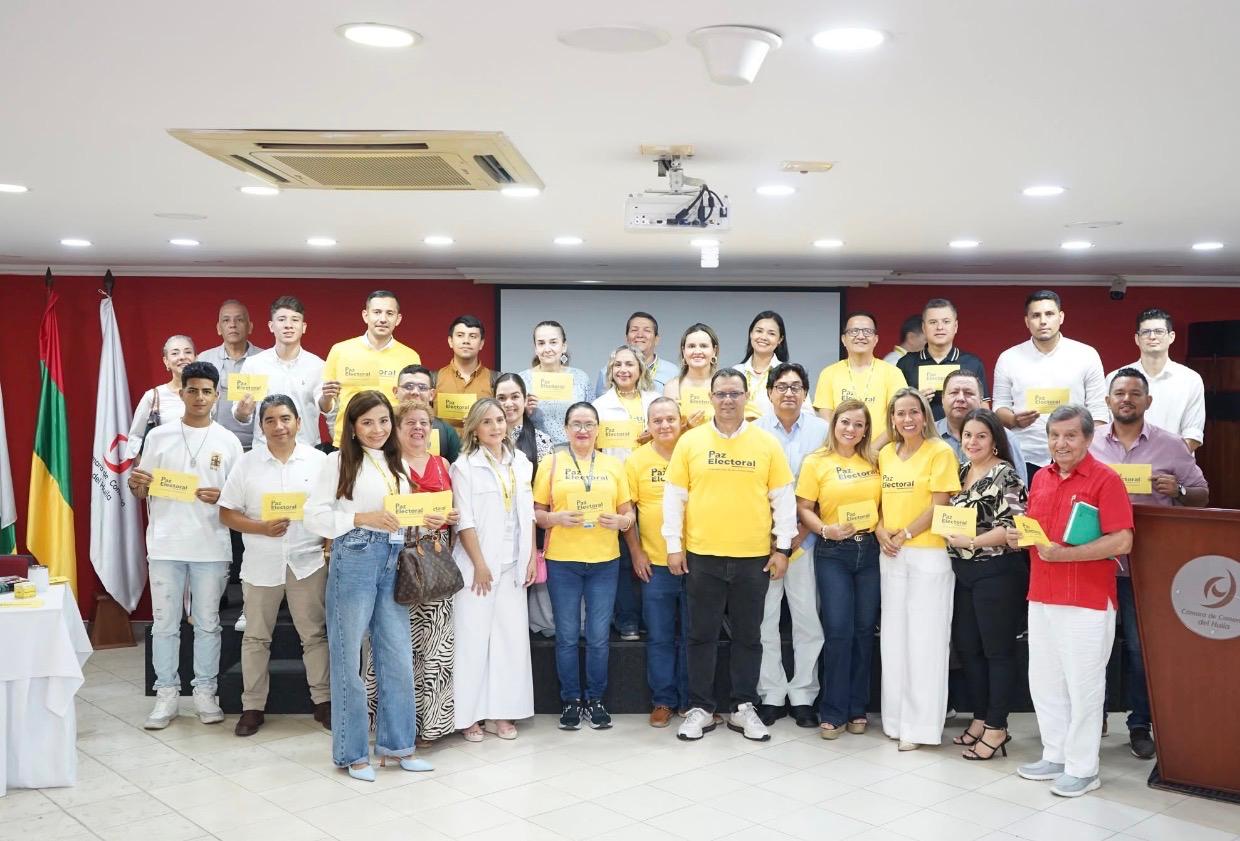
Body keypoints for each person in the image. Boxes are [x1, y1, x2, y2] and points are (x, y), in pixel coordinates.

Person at [304, 390, 432, 781]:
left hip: (394, 560)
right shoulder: (338, 461)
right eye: (367, 422)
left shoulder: (398, 464)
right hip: (355, 558)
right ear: (353, 428)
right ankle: (352, 753)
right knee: (348, 658)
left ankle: (398, 747)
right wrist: (362, 518)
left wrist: (427, 517)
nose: (378, 429)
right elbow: (314, 516)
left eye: (383, 421)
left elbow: (400, 517)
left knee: (396, 656)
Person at [664, 368, 796, 743]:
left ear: (745, 397)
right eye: (720, 394)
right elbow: (674, 498)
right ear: (711, 398)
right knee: (700, 636)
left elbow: (783, 500)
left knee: (749, 637)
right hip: (702, 556)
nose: (727, 400)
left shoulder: (767, 444)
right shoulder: (690, 443)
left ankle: (743, 707)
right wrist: (674, 546)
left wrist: (783, 548)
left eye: (734, 394)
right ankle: (701, 708)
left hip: (752, 557)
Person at [1012, 405, 1133, 798]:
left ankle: (1084, 768)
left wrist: (1062, 555)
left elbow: (1122, 541)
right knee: (1045, 682)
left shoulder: (1106, 480)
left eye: (1070, 436)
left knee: (1083, 686)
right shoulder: (1042, 478)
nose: (1060, 444)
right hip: (1042, 595)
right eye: (1054, 436)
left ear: (1087, 438)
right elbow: (1040, 532)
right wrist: (1021, 538)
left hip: (1087, 600)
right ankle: (1056, 754)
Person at [1088, 368, 1208, 759]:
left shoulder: (1172, 446)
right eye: (1119, 393)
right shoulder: (1091, 445)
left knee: (1142, 651)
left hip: (1148, 567)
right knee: (1096, 646)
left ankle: (1140, 724)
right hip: (1099, 562)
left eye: (1135, 393)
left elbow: (1202, 494)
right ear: (1107, 402)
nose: (1127, 399)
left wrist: (1180, 489)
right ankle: (1095, 717)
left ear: (1148, 401)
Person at [127, 361, 242, 730]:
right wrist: (136, 484)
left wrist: (223, 495)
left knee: (208, 623)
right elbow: (142, 486)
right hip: (165, 543)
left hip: (210, 546)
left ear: (217, 396)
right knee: (164, 625)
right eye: (192, 390)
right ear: (182, 393)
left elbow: (241, 499)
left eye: (207, 391)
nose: (199, 397)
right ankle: (166, 695)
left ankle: (206, 693)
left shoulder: (228, 441)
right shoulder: (159, 437)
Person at [218, 395, 330, 737]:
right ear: (261, 425)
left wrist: (327, 544)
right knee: (255, 637)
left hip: (307, 562)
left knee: (314, 635)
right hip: (262, 564)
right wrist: (261, 527)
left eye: (285, 418)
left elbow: (332, 509)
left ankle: (322, 702)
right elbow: (227, 513)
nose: (279, 426)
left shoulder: (318, 462)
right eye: (270, 420)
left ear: (298, 421)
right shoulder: (247, 463)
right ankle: (252, 706)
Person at [363, 399, 461, 744]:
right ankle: (386, 724)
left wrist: (449, 517)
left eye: (423, 423)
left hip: (433, 565)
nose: (418, 428)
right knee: (391, 644)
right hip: (394, 561)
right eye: (410, 423)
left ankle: (431, 726)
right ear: (397, 428)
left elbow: (455, 513)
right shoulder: (385, 466)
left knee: (435, 645)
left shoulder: (443, 463)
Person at [534, 402, 634, 730]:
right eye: (576, 423)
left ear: (597, 429)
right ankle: (571, 700)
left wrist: (621, 521)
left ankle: (596, 699)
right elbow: (536, 513)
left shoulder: (613, 466)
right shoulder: (550, 463)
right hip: (563, 561)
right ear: (565, 429)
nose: (582, 430)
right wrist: (554, 518)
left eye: (589, 424)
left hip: (605, 562)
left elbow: (628, 514)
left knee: (598, 636)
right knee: (565, 635)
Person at [874, 387, 961, 750]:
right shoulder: (885, 455)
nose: (907, 419)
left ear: (925, 415)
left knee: (925, 642)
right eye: (900, 413)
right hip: (891, 554)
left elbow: (941, 503)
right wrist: (882, 533)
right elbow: (875, 503)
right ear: (891, 419)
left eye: (914, 412)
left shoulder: (940, 451)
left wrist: (906, 533)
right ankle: (894, 721)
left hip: (927, 553)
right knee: (894, 641)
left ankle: (920, 727)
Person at [942, 409, 1028, 761]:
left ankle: (997, 727)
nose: (972, 442)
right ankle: (979, 718)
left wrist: (973, 542)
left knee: (997, 651)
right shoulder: (958, 472)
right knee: (969, 649)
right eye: (967, 436)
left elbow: (1015, 528)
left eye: (981, 436)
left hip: (997, 572)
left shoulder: (1006, 474)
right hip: (963, 575)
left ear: (994, 440)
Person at [451, 398, 538, 741]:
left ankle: (501, 713)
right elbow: (465, 521)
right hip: (477, 567)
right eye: (487, 422)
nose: (496, 427)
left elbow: (527, 512)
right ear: (474, 427)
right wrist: (480, 563)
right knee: (472, 641)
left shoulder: (520, 462)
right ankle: (469, 716)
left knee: (509, 641)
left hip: (513, 564)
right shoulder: (464, 466)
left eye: (499, 420)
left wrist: (530, 556)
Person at [795, 399, 882, 740]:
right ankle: (832, 709)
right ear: (834, 424)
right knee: (838, 631)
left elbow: (884, 505)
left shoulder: (876, 461)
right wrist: (825, 530)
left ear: (866, 429)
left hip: (870, 552)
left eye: (858, 425)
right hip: (833, 552)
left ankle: (857, 707)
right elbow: (805, 508)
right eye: (845, 422)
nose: (851, 429)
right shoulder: (817, 461)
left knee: (863, 631)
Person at [753, 363, 827, 727]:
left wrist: (798, 534)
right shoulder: (753, 433)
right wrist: (773, 538)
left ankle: (803, 695)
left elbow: (828, 487)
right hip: (762, 544)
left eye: (796, 386)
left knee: (807, 621)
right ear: (768, 392)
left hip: (806, 541)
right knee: (764, 622)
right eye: (781, 386)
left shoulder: (822, 432)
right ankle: (771, 693)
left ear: (806, 392)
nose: (788, 393)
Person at [993, 290, 1107, 481]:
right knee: (1027, 512)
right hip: (1024, 457)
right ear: (1027, 321)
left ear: (1061, 317)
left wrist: (1087, 450)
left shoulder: (1086, 355)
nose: (1043, 321)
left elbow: (1099, 412)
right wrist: (1013, 420)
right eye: (1036, 315)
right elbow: (998, 408)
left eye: (1049, 314)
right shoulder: (1008, 358)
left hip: (1076, 456)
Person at [624, 397, 689, 726]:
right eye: (657, 420)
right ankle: (663, 700)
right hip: (655, 563)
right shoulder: (636, 461)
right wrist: (636, 552)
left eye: (670, 419)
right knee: (661, 635)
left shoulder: (692, 452)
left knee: (694, 635)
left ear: (681, 421)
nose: (664, 425)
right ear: (648, 425)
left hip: (696, 562)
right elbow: (629, 512)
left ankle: (693, 702)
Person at [594, 344, 661, 641]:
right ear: (610, 371)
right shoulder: (599, 405)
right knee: (621, 558)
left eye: (629, 364)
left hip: (651, 484)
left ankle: (652, 616)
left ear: (640, 369)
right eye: (617, 364)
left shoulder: (655, 401)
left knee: (650, 550)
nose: (623, 369)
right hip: (614, 486)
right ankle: (627, 619)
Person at [494, 372, 557, 637]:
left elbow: (546, 494)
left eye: (514, 397)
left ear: (525, 399)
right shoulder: (484, 440)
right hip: (494, 529)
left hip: (530, 528)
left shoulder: (541, 441)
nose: (509, 403)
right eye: (502, 398)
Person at [318, 290, 422, 447]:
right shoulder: (340, 350)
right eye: (377, 312)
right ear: (365, 315)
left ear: (398, 319)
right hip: (348, 441)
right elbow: (327, 407)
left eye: (389, 313)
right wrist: (326, 398)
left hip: (392, 442)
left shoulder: (410, 356)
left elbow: (415, 403)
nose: (383, 319)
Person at [232, 296, 326, 449]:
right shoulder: (253, 365)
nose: (288, 325)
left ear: (304, 327)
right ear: (271, 326)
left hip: (307, 452)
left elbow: (329, 411)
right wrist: (242, 412)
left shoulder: (318, 366)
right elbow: (240, 415)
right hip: (264, 451)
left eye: (295, 320)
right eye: (281, 319)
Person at [1106, 308, 1206, 451]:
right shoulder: (1116, 379)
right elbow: (1108, 431)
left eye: (1159, 331)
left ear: (1171, 336)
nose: (1152, 337)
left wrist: (1166, 463)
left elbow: (1192, 435)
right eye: (1146, 332)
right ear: (1137, 339)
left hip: (1174, 469)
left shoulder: (1190, 379)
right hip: (1127, 468)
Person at [812, 313, 908, 443]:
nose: (861, 336)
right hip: (840, 453)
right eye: (854, 331)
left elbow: (898, 419)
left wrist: (871, 451)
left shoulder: (893, 373)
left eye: (867, 331)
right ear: (844, 339)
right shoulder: (828, 373)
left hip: (881, 454)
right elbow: (826, 420)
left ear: (876, 339)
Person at [897, 298, 988, 421]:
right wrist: (915, 400)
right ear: (924, 328)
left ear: (955, 326)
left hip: (962, 436)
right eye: (933, 322)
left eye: (946, 321)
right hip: (918, 435)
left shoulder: (972, 363)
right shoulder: (906, 364)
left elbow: (984, 408)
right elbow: (895, 408)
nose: (940, 327)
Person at [937, 370, 1028, 484]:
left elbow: (1020, 491)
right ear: (942, 398)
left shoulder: (1005, 437)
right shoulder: (927, 435)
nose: (960, 398)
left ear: (981, 400)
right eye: (954, 392)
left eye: (968, 393)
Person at [197, 299, 265, 451]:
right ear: (219, 328)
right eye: (226, 320)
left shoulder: (265, 359)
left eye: (239, 320)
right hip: (213, 445)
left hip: (257, 447)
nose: (232, 324)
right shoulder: (204, 359)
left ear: (250, 327)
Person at [520, 320, 594, 447]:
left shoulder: (580, 378)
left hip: (576, 451)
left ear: (564, 346)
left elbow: (593, 418)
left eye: (553, 342)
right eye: (541, 343)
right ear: (535, 348)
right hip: (536, 452)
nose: (547, 349)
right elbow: (510, 422)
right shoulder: (522, 379)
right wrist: (524, 412)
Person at [126, 334, 196, 458]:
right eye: (175, 353)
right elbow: (135, 437)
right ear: (166, 361)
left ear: (195, 358)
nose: (182, 357)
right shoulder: (153, 396)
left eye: (188, 352)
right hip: (164, 471)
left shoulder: (208, 394)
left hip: (200, 467)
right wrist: (144, 465)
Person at [594, 311, 680, 395]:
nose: (640, 335)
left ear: (656, 339)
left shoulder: (673, 372)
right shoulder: (607, 372)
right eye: (634, 330)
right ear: (627, 338)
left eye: (647, 330)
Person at [391, 365, 461, 464]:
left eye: (422, 388)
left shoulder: (446, 431)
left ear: (432, 394)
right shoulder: (382, 428)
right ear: (396, 391)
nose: (415, 392)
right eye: (408, 386)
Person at [434, 315, 495, 429]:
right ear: (450, 341)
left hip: (482, 446)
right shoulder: (434, 379)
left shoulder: (495, 379)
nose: (466, 341)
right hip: (443, 446)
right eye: (460, 335)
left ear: (481, 343)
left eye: (473, 336)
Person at [663, 323, 721, 428]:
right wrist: (687, 426)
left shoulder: (724, 385)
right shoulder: (672, 387)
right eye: (691, 346)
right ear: (683, 351)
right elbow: (667, 430)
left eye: (703, 346)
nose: (697, 351)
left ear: (714, 351)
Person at [736, 311, 790, 418]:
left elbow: (805, 415)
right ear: (751, 333)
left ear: (780, 339)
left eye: (771, 333)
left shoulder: (789, 374)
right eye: (759, 331)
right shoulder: (735, 372)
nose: (763, 337)